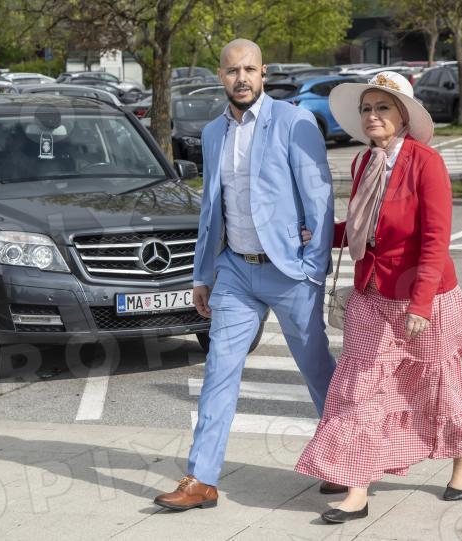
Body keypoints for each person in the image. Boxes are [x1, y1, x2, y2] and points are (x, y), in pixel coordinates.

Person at [152, 39, 337, 511]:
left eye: (249, 70)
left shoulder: (294, 122)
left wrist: (312, 268)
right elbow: (210, 209)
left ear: (263, 73)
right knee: (218, 370)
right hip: (235, 269)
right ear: (221, 76)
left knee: (317, 369)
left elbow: (319, 200)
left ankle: (343, 460)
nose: (241, 79)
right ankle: (201, 478)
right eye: (233, 71)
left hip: (289, 271)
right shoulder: (213, 131)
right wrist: (202, 273)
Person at [294, 71, 462, 524]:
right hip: (372, 293)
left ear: (403, 115)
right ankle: (357, 489)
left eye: (382, 108)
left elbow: (435, 238)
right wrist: (322, 235)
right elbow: (364, 227)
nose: (371, 116)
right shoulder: (364, 162)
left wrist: (421, 303)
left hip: (425, 296)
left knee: (440, 386)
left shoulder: (426, 163)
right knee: (358, 388)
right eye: (366, 109)